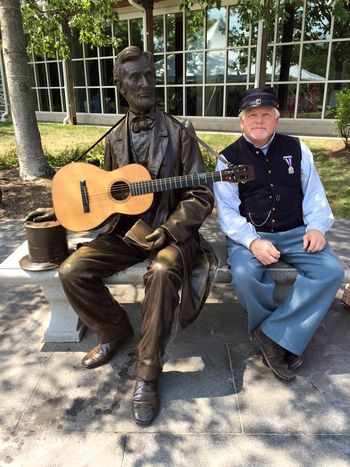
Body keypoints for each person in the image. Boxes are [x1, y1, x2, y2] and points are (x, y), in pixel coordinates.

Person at [27, 46, 215, 425]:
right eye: (135, 78)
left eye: (149, 75)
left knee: (161, 273)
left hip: (170, 233)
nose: (145, 83)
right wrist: (67, 210)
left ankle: (147, 375)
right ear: (120, 87)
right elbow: (106, 189)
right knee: (72, 271)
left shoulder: (181, 133)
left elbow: (199, 194)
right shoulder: (114, 137)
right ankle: (115, 330)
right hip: (126, 232)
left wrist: (169, 228)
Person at [213, 87, 344, 381]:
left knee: (331, 271)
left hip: (296, 231)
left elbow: (314, 194)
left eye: (265, 115)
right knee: (246, 276)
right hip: (251, 235)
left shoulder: (298, 149)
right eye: (252, 115)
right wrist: (253, 241)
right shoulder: (227, 158)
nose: (259, 120)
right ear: (242, 122)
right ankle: (281, 337)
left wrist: (316, 227)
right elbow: (227, 212)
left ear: (276, 119)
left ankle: (272, 337)